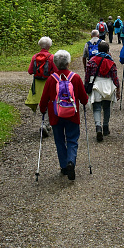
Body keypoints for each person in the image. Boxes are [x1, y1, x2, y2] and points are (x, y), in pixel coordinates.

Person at [39, 50, 88, 181]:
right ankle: (71, 161)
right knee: (72, 139)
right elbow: (84, 98)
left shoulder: (51, 79)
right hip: (72, 114)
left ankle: (64, 166)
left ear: (55, 63)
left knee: (59, 141)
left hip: (56, 115)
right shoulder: (75, 77)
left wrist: (42, 109)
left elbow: (44, 99)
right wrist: (83, 101)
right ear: (68, 62)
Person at [84, 40, 120, 142]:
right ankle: (105, 127)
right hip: (108, 85)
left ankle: (98, 126)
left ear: (98, 49)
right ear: (108, 50)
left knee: (97, 108)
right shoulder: (111, 62)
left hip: (96, 85)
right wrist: (118, 89)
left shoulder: (91, 61)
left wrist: (86, 86)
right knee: (106, 107)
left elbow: (87, 76)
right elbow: (115, 77)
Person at [25, 36, 56, 137]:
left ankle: (44, 122)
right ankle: (45, 124)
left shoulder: (35, 56)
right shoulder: (51, 57)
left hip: (37, 84)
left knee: (42, 103)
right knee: (48, 103)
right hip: (49, 82)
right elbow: (56, 71)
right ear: (49, 46)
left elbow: (30, 71)